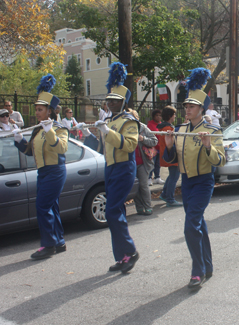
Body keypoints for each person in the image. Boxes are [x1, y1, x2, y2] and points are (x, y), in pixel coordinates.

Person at [163, 68, 226, 289]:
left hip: (203, 182)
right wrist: (169, 146)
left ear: (201, 109)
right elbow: (172, 158)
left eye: (191, 106)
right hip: (186, 182)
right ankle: (207, 265)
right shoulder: (180, 129)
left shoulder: (212, 130)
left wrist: (209, 146)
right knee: (198, 224)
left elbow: (220, 161)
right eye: (186, 106)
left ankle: (197, 271)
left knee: (191, 225)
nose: (187, 109)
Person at [13, 74, 69, 259]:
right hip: (43, 172)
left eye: (40, 110)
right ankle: (59, 241)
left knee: (42, 207)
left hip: (55, 171)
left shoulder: (60, 128)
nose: (36, 113)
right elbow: (30, 152)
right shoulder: (37, 129)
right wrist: (19, 141)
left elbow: (61, 148)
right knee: (51, 206)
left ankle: (48, 245)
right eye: (36, 109)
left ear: (50, 111)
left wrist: (50, 130)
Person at [92, 62, 140, 273]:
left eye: (114, 100)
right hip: (110, 167)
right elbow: (104, 145)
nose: (110, 103)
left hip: (124, 167)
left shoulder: (129, 121)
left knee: (111, 211)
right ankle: (122, 257)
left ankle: (131, 251)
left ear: (123, 102)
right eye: (109, 100)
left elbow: (130, 144)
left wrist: (107, 131)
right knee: (116, 211)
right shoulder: (109, 120)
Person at [130, 109, 158, 215]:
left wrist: (143, 139)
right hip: (131, 163)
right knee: (135, 186)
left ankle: (148, 206)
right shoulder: (125, 129)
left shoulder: (142, 127)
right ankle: (139, 207)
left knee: (143, 185)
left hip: (143, 162)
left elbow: (154, 141)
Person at [158, 106, 183, 207]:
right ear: (170, 116)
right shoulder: (169, 128)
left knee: (171, 175)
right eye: (174, 115)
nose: (175, 116)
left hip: (166, 154)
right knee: (174, 176)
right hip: (172, 154)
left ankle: (165, 194)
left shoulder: (162, 127)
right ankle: (170, 198)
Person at [147, 109, 164, 186]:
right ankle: (149, 178)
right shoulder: (150, 124)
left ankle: (157, 177)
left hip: (159, 147)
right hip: (152, 147)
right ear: (153, 116)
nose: (158, 117)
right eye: (157, 115)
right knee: (151, 163)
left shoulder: (161, 124)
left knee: (158, 163)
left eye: (160, 115)